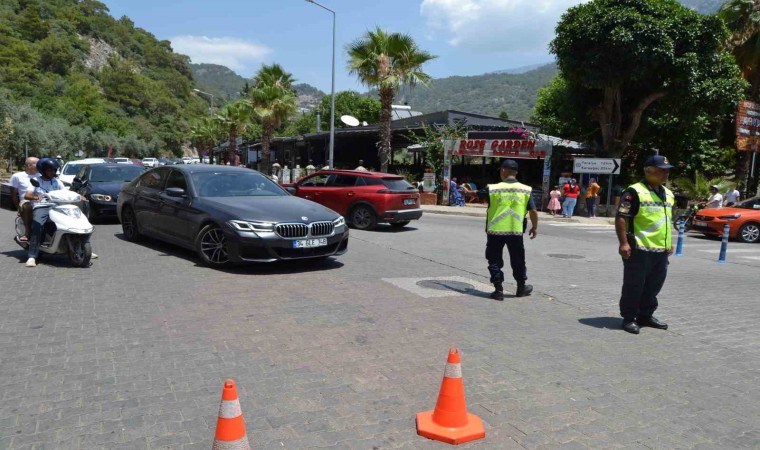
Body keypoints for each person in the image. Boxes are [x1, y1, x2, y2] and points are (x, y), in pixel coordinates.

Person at [615, 155, 674, 334]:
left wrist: (670, 243)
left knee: (654, 286)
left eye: (667, 171)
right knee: (634, 285)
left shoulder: (668, 193)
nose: (666, 174)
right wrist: (623, 243)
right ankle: (629, 317)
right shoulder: (634, 192)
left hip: (661, 250)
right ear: (648, 171)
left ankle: (645, 315)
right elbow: (621, 218)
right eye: (661, 170)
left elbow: (666, 220)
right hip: (639, 248)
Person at [479, 159, 538, 300]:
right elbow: (534, 211)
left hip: (494, 230)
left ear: (503, 171)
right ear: (516, 172)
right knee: (518, 259)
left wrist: (467, 191)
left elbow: (478, 194)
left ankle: (498, 290)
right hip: (515, 231)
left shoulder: (492, 188)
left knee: (494, 260)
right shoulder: (525, 189)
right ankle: (521, 288)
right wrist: (534, 227)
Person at [23, 158, 65, 267]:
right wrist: (37, 197)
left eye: (54, 170)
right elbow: (27, 195)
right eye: (50, 170)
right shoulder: (37, 181)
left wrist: (79, 196)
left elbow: (65, 192)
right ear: (43, 170)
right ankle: (32, 256)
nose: (52, 172)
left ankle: (80, 247)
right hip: (41, 207)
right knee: (37, 226)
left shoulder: (56, 181)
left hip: (56, 207)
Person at [9, 157, 40, 242]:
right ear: (29, 165)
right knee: (27, 206)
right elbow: (14, 195)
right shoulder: (17, 176)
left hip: (42, 201)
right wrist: (18, 208)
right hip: (26, 202)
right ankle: (27, 232)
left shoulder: (42, 176)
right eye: (37, 163)